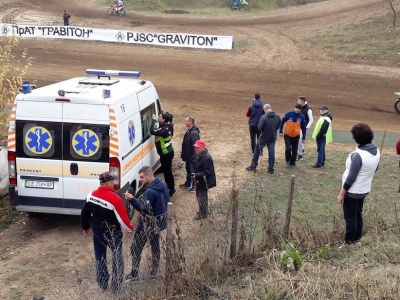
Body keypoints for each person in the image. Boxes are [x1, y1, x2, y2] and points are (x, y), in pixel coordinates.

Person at [80, 172, 134, 292]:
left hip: (98, 232)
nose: (114, 183)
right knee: (117, 257)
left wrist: (85, 227)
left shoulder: (90, 195)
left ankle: (103, 282)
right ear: (109, 183)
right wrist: (129, 229)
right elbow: (122, 218)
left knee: (100, 257)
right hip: (113, 233)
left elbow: (84, 213)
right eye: (113, 182)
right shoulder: (115, 198)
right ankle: (116, 285)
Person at [337, 123, 380, 245]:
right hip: (364, 189)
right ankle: (357, 238)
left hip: (353, 191)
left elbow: (351, 178)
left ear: (358, 139)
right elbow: (376, 168)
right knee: (357, 214)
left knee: (350, 217)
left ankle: (349, 242)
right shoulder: (376, 150)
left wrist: (341, 194)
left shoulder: (358, 156)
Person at [124, 166, 170, 282]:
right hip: (159, 222)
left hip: (147, 224)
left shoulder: (150, 191)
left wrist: (132, 200)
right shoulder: (162, 184)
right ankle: (153, 272)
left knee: (135, 247)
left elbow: (143, 208)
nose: (140, 179)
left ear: (149, 176)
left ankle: (134, 274)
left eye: (142, 177)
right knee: (155, 246)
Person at [246, 104, 281, 174]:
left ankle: (253, 166)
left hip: (264, 137)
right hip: (273, 137)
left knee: (257, 149)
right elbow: (278, 126)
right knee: (271, 152)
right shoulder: (277, 116)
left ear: (265, 109)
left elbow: (259, 127)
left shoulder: (264, 117)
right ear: (271, 108)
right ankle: (271, 169)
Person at [150, 112, 176, 197]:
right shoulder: (168, 126)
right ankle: (169, 187)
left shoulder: (163, 129)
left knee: (168, 172)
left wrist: (153, 121)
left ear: (164, 119)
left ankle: (172, 189)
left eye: (160, 117)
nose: (158, 117)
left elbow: (152, 131)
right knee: (166, 171)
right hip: (167, 152)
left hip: (166, 153)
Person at [192, 140, 216, 220]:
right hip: (199, 181)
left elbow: (208, 172)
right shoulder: (199, 155)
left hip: (204, 182)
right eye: (195, 147)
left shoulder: (206, 158)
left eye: (198, 147)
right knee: (199, 196)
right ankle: (202, 211)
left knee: (202, 198)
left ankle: (203, 214)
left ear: (203, 147)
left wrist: (197, 175)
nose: (196, 149)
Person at [279, 104, 306, 169]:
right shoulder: (288, 114)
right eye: (296, 108)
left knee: (294, 150)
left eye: (299, 109)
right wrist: (280, 131)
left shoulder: (302, 117)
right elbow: (282, 122)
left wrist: (303, 137)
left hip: (296, 136)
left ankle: (292, 163)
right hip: (287, 135)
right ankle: (287, 161)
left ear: (300, 110)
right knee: (288, 149)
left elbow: (303, 127)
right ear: (294, 108)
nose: (297, 110)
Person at [180, 116, 200, 192]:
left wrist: (194, 157)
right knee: (188, 170)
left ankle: (195, 186)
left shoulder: (193, 133)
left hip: (191, 157)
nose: (184, 122)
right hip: (188, 157)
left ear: (190, 122)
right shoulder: (189, 131)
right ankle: (188, 183)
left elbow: (196, 146)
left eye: (186, 121)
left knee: (193, 172)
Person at [296, 96, 314, 161]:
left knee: (299, 140)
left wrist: (307, 127)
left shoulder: (308, 109)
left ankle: (300, 155)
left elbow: (311, 119)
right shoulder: (299, 108)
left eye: (298, 101)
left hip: (302, 128)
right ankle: (302, 150)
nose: (297, 102)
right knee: (299, 140)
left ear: (302, 101)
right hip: (297, 127)